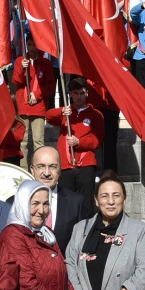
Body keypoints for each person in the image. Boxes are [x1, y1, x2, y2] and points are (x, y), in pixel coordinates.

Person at [30, 145, 93, 254]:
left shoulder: (76, 203)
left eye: (53, 167)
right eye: (41, 166)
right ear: (32, 170)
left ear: (60, 169)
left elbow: (83, 244)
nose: (46, 173)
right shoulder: (16, 202)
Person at [55, 78, 104, 209]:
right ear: (70, 94)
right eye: (76, 93)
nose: (79, 97)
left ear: (87, 93)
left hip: (86, 164)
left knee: (86, 202)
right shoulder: (66, 113)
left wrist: (79, 142)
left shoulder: (96, 114)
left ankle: (86, 228)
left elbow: (97, 140)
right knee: (65, 202)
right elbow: (49, 117)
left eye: (82, 93)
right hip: (66, 164)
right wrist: (61, 111)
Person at [11, 36, 58, 155]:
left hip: (38, 108)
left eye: (34, 45)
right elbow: (16, 82)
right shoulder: (20, 61)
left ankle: (39, 171)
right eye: (29, 44)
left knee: (38, 142)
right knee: (22, 142)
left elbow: (50, 86)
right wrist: (22, 69)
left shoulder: (45, 63)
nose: (31, 48)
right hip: (23, 107)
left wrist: (37, 95)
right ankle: (23, 172)